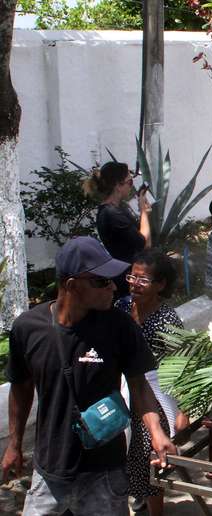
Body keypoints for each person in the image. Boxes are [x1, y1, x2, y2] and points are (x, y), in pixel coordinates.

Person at [2, 236, 175, 515]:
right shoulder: (27, 328)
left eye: (112, 280)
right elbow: (20, 389)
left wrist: (156, 432)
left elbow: (139, 385)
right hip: (51, 468)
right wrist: (14, 444)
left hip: (105, 471)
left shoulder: (119, 327)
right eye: (101, 281)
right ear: (72, 286)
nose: (112, 287)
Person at [117, 250, 186, 516]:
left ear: (161, 285)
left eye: (143, 280)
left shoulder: (167, 320)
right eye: (132, 277)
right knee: (126, 451)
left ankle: (156, 510)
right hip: (124, 390)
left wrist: (183, 411)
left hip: (155, 394)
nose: (135, 283)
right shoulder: (121, 308)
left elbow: (181, 366)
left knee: (150, 453)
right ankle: (138, 496)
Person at [84, 161, 151, 299]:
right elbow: (145, 244)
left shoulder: (117, 209)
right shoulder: (112, 214)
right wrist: (144, 212)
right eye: (129, 182)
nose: (131, 186)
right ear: (118, 186)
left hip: (129, 275)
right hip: (126, 281)